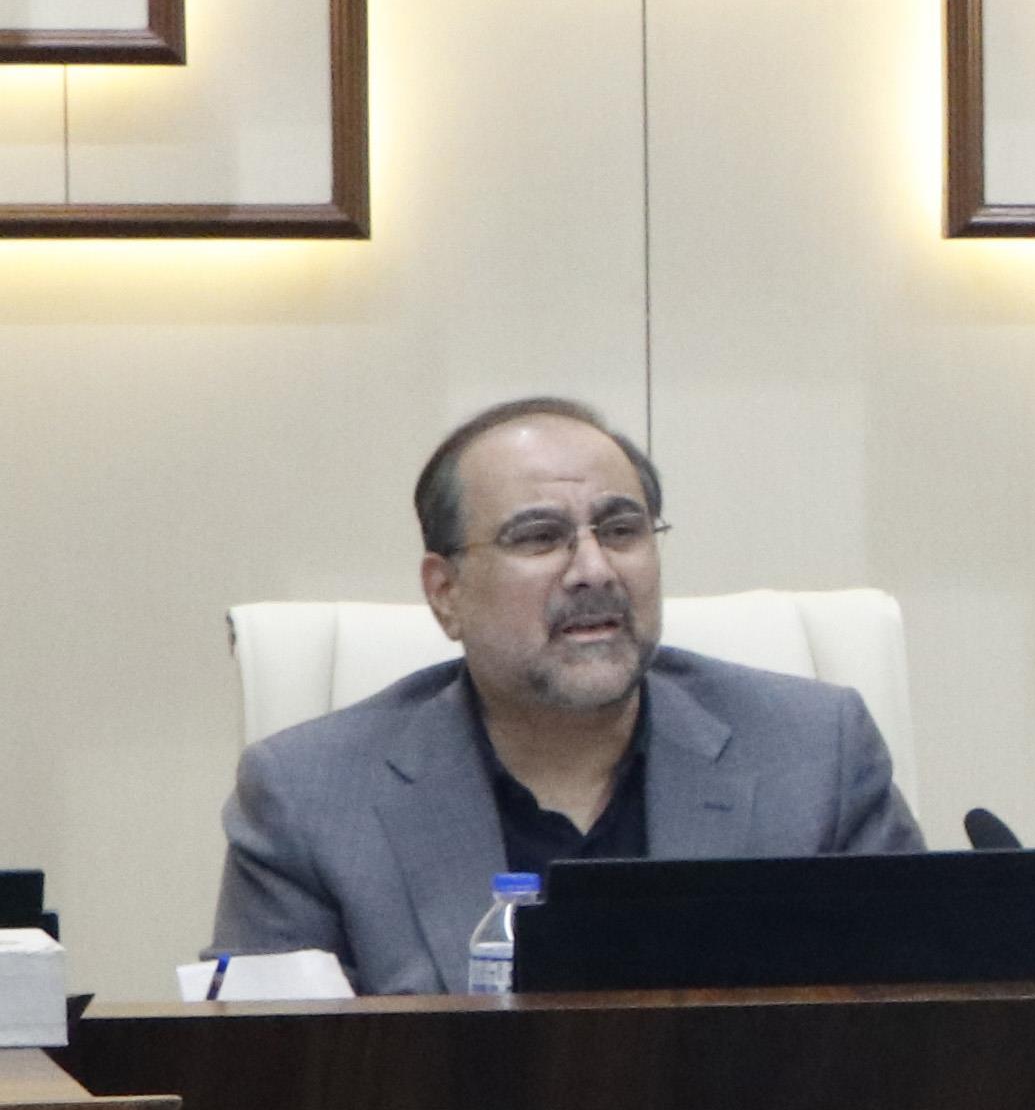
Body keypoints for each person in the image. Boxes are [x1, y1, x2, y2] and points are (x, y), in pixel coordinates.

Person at [213, 396, 920, 993]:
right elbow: (274, 1078)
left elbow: (922, 1031)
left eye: (621, 531)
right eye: (539, 538)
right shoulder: (308, 799)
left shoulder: (816, 755)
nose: (594, 570)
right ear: (446, 593)